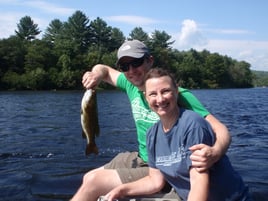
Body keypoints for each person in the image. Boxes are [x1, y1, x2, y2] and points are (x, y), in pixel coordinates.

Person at [71, 40, 231, 201]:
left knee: (93, 182)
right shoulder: (130, 84)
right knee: (88, 177)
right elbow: (103, 69)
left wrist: (215, 152)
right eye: (125, 66)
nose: (131, 70)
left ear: (150, 60)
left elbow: (220, 129)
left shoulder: (177, 95)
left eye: (137, 62)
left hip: (167, 164)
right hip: (144, 158)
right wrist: (95, 75)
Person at [105, 68, 252, 201]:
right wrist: (121, 190)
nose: (160, 99)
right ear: (146, 98)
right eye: (153, 94)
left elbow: (198, 184)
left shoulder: (192, 125)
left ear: (176, 92)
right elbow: (154, 181)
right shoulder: (152, 135)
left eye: (165, 91)